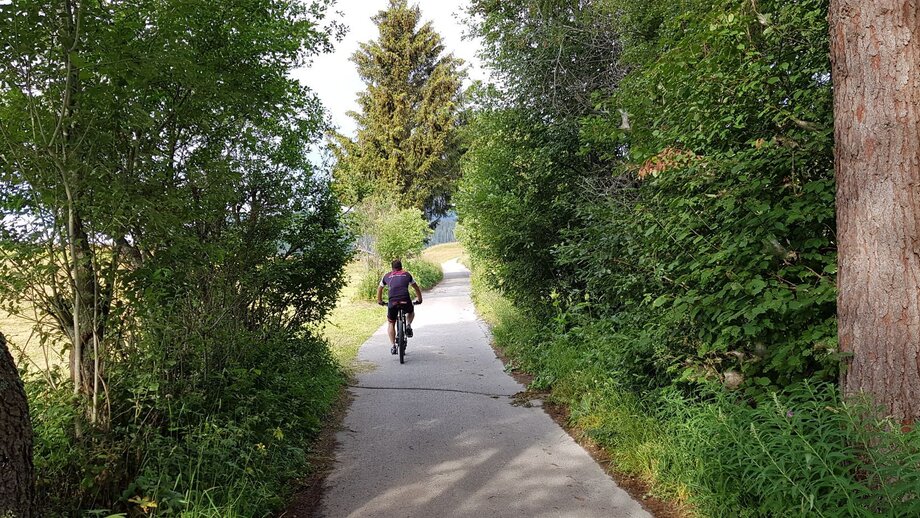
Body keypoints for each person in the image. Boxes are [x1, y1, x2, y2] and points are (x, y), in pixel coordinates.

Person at [377, 259, 423, 355]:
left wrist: (380, 301)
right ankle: (408, 325)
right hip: (405, 299)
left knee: (391, 323)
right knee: (411, 311)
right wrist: (419, 299)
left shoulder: (387, 276)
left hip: (392, 301)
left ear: (392, 268)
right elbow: (416, 287)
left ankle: (393, 346)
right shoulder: (407, 274)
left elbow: (380, 289)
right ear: (401, 266)